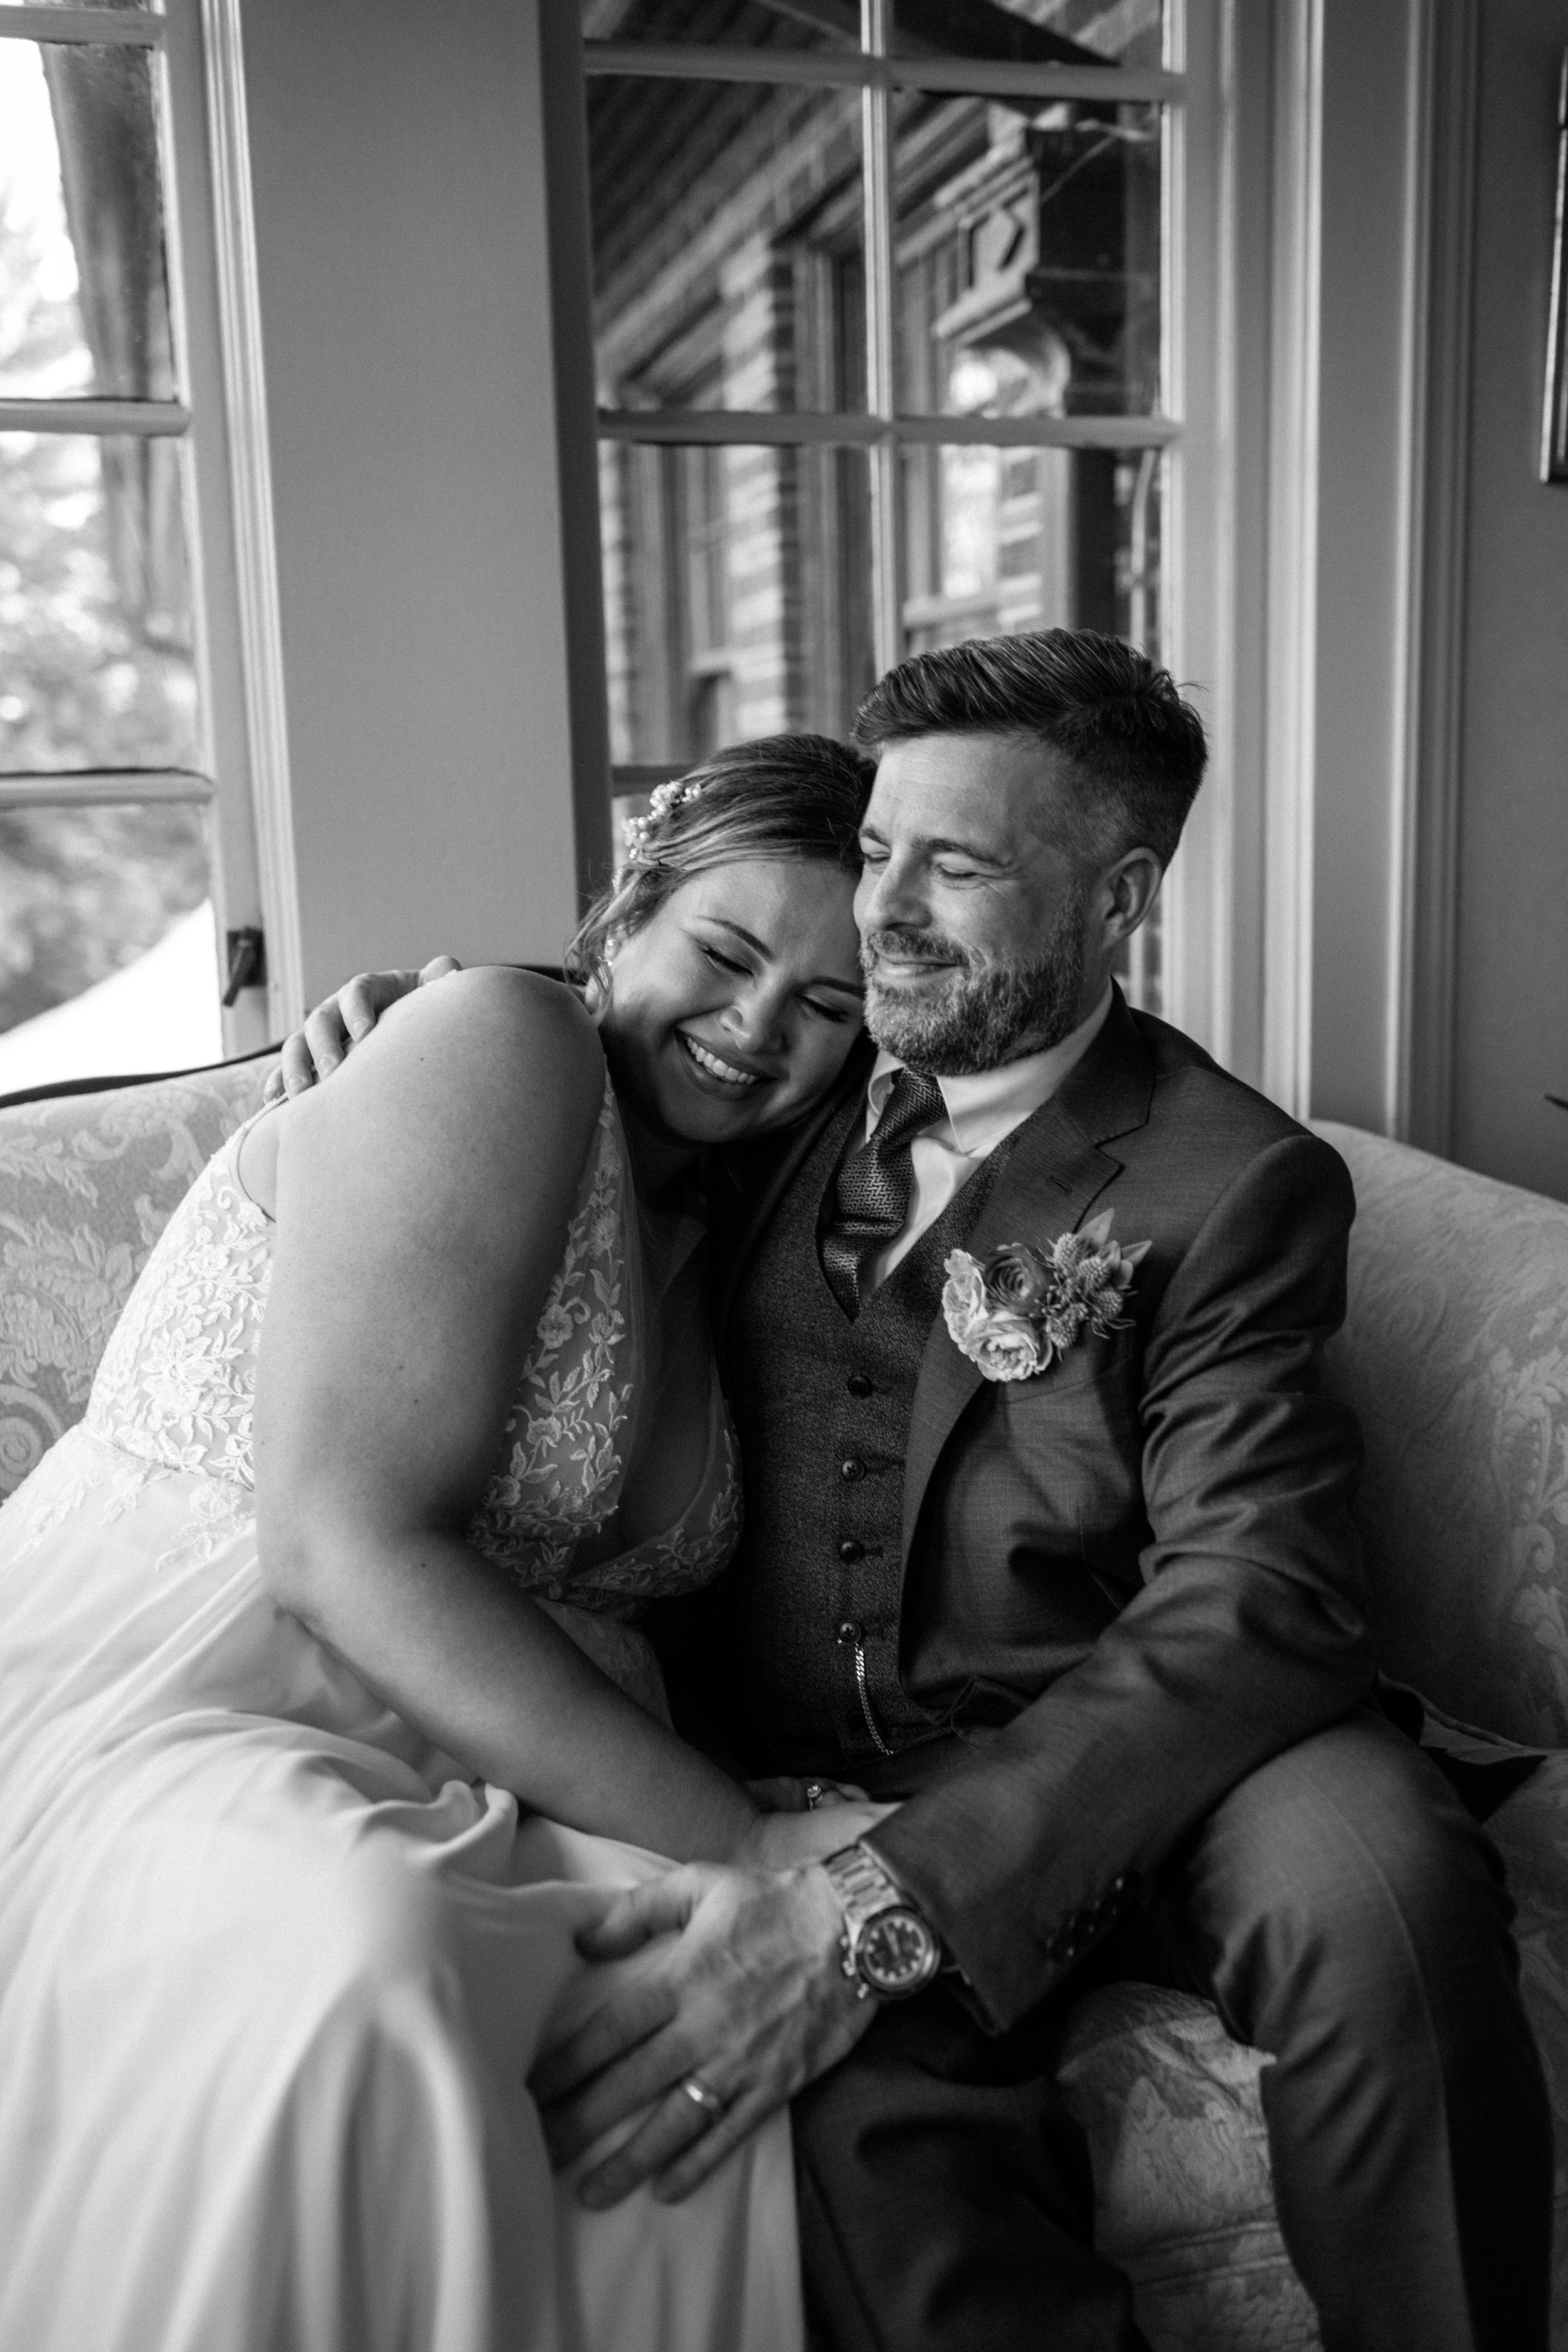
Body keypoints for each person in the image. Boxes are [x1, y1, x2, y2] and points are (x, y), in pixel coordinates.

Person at [309, 630, 1553, 2352]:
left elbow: (1262, 1597)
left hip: (1163, 1746)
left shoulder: (1234, 1179)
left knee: (1381, 1898)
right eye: (878, 849)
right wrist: (412, 1021)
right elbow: (626, 1021)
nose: (878, 917)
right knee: (844, 2109)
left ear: (1113, 898)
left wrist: (892, 1897)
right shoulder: (788, 1070)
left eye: (951, 869)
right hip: (801, 1756)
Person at [0, 734, 889, 2352]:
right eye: (728, 953)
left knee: (675, 2008)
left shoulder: (762, 1226)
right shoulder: (497, 1037)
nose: (761, 1031)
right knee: (360, 1956)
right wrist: (742, 1847)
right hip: (211, 1674)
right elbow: (339, 1548)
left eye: (830, 1007)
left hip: (479, 1747)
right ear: (623, 915)